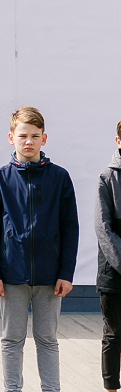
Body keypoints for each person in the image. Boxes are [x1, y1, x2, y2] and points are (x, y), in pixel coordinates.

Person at [0, 106, 78, 392]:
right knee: (11, 340)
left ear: (44, 138)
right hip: (11, 275)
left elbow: (70, 228)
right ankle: (12, 389)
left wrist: (66, 273)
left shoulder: (59, 177)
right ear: (11, 137)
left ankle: (51, 389)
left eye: (35, 136)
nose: (28, 141)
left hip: (50, 277)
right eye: (22, 135)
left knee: (47, 339)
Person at [96, 120, 121, 392]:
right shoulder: (107, 178)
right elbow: (103, 229)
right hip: (113, 273)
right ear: (118, 141)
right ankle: (111, 387)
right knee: (113, 334)